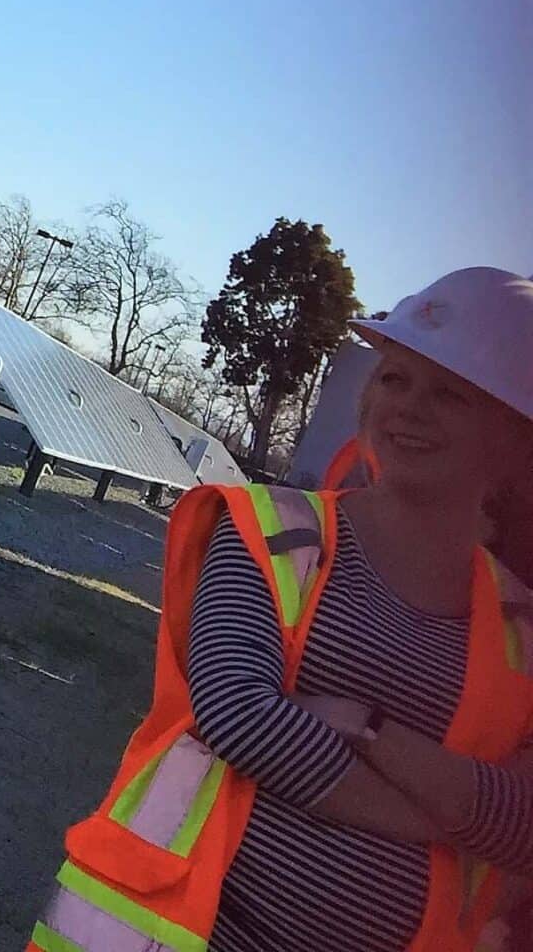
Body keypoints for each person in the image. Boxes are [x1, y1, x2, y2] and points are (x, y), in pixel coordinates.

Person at [34, 268, 533, 952]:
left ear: (511, 437)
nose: (409, 406)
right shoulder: (272, 531)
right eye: (394, 378)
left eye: (449, 394)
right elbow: (242, 718)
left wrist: (370, 730)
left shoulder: (521, 629)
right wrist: (457, 818)